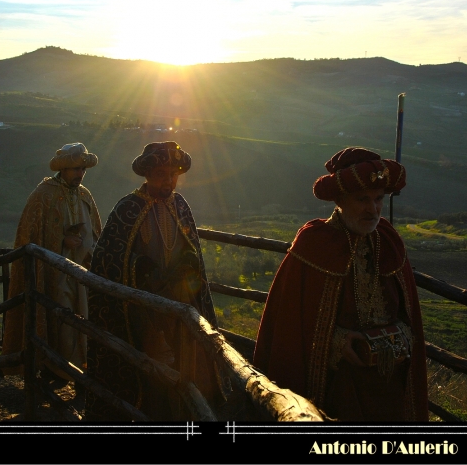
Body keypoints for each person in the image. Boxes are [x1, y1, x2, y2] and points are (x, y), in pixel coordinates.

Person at [253, 147, 429, 422]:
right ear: (340, 201)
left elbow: (409, 314)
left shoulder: (389, 240)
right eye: (362, 199)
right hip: (338, 388)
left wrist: (401, 336)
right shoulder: (314, 244)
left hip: (390, 388)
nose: (373, 210)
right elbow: (292, 328)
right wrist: (339, 343)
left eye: (378, 199)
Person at [85, 141, 225, 421]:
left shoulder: (181, 205)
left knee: (187, 364)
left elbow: (191, 249)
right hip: (141, 312)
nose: (169, 180)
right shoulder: (128, 209)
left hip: (182, 305)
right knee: (151, 369)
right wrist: (142, 270)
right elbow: (108, 261)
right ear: (147, 174)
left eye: (173, 174)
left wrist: (188, 265)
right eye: (162, 173)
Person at [2, 142, 102, 388]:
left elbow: (96, 230)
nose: (80, 174)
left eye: (83, 169)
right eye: (75, 169)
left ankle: (82, 369)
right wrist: (62, 240)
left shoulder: (85, 195)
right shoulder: (43, 195)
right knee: (60, 317)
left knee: (83, 318)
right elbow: (30, 235)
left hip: (83, 272)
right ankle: (57, 368)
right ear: (64, 169)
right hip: (54, 275)